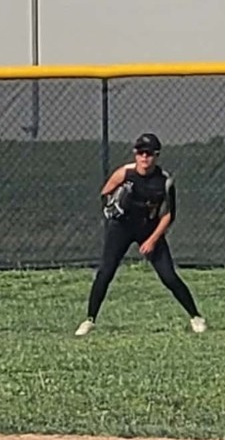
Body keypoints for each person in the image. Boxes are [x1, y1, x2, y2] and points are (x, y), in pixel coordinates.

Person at [74, 132, 206, 336]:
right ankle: (89, 319)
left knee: (169, 277)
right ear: (135, 154)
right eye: (141, 153)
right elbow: (105, 193)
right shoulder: (124, 174)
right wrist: (111, 207)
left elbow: (168, 215)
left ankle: (196, 317)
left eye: (150, 153)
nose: (145, 158)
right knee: (105, 273)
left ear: (157, 155)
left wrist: (152, 240)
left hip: (149, 228)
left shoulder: (164, 181)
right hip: (122, 227)